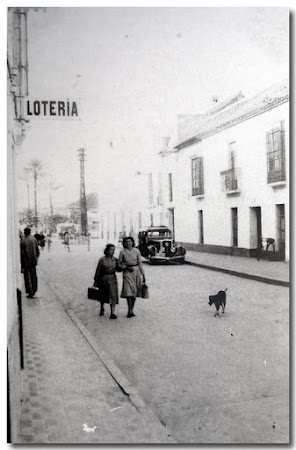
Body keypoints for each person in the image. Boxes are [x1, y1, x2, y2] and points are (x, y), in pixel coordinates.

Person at [118, 236, 146, 318]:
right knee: (128, 291)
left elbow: (140, 263)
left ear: (132, 242)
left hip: (136, 272)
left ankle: (132, 310)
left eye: (130, 241)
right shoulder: (122, 252)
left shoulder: (136, 251)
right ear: (124, 243)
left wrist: (143, 274)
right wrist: (125, 267)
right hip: (127, 273)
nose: (128, 243)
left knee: (134, 292)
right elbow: (119, 264)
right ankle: (129, 310)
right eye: (126, 242)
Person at [94, 244, 119, 319]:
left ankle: (112, 312)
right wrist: (96, 280)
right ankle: (102, 308)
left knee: (113, 295)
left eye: (114, 250)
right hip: (103, 278)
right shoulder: (102, 259)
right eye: (111, 250)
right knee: (103, 294)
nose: (113, 251)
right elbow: (98, 270)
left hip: (112, 278)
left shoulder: (115, 259)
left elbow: (119, 268)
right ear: (107, 250)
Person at [20, 227, 40, 298]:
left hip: (26, 262)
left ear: (25, 233)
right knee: (33, 275)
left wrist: (21, 264)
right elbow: (37, 251)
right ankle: (34, 289)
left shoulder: (22, 242)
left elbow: (22, 254)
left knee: (27, 277)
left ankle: (30, 291)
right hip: (33, 261)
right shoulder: (34, 240)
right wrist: (36, 258)